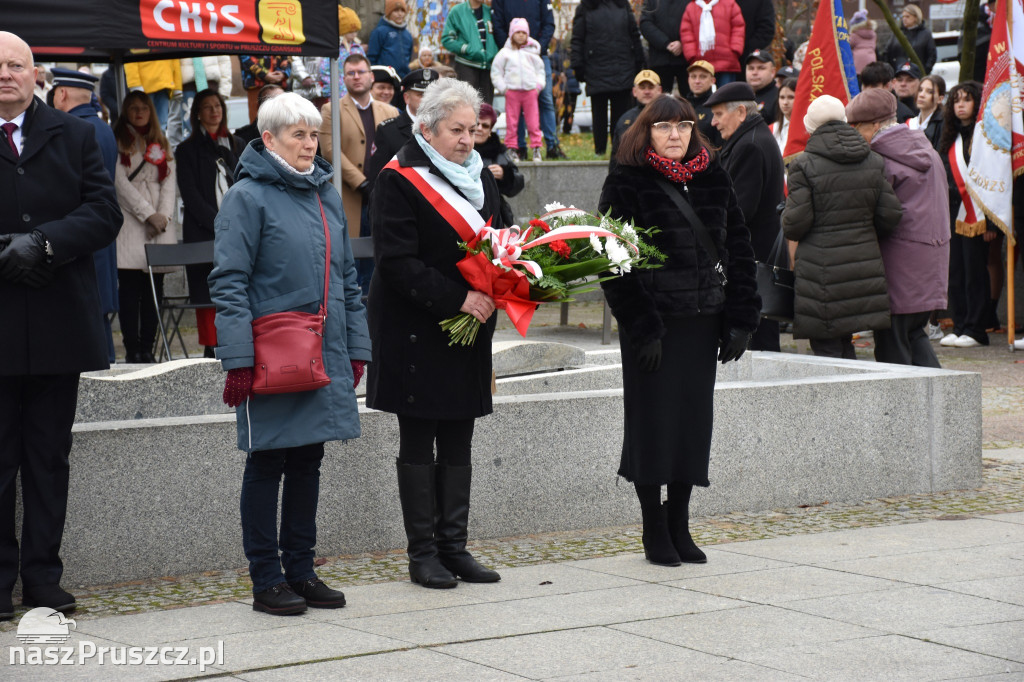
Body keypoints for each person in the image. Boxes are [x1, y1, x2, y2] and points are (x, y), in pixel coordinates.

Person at [209, 92, 370, 616]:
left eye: (314, 134)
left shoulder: (324, 190)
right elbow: (229, 282)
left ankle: (301, 570)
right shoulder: (246, 197)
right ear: (270, 138)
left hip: (322, 350)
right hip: (272, 353)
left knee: (308, 460)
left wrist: (357, 347)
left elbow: (346, 276)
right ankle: (266, 578)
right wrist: (237, 359)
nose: (309, 144)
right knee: (267, 461)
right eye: (298, 135)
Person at [599, 95, 760, 566]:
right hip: (653, 327)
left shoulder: (713, 174)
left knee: (692, 424)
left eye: (685, 126)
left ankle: (680, 523)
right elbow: (613, 262)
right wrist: (642, 327)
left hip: (702, 321)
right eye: (665, 126)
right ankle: (653, 527)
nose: (676, 135)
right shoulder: (627, 180)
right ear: (646, 131)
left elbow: (739, 247)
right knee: (654, 426)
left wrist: (741, 319)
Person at [0, 31, 122, 619]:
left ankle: (43, 580)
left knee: (48, 458)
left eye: (16, 65)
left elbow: (103, 211)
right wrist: (8, 250)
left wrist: (44, 242)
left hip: (57, 323)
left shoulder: (75, 135)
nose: (6, 74)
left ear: (36, 73)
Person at [367, 78, 504, 589]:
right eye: (457, 130)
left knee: (460, 435)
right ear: (427, 129)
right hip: (416, 328)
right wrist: (458, 298)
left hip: (469, 325)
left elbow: (500, 237)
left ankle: (455, 547)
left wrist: (511, 280)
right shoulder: (398, 179)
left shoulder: (480, 177)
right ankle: (422, 553)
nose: (468, 140)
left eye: (473, 130)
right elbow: (395, 262)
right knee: (420, 436)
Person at [782, 95, 903, 359]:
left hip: (821, 272)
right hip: (863, 267)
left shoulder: (803, 165)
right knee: (845, 344)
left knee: (826, 350)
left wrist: (785, 214)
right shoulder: (872, 160)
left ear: (810, 127)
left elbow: (795, 225)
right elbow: (891, 214)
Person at [847, 89, 948, 368]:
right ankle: (942, 405)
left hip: (899, 264)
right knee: (914, 336)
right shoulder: (924, 147)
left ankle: (902, 411)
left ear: (876, 125)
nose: (855, 135)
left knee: (894, 349)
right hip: (930, 259)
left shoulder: (881, 159)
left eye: (858, 127)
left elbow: (877, 214)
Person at [707, 81, 784, 351]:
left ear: (740, 112)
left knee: (758, 346)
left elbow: (739, 210)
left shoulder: (750, 145)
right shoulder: (752, 138)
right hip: (754, 261)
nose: (714, 123)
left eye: (718, 114)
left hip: (752, 263)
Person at [49, 68, 120, 365]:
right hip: (98, 233)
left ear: (61, 94)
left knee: (89, 320)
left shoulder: (72, 129)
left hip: (78, 235)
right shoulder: (101, 127)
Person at [176, 89, 244, 359]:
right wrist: (219, 223)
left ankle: (235, 341)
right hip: (202, 232)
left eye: (218, 105)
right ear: (198, 114)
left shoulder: (236, 144)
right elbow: (189, 194)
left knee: (235, 288)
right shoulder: (186, 149)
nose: (215, 111)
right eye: (207, 107)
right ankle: (210, 347)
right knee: (206, 292)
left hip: (236, 233)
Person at [111, 92, 178, 364]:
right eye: (133, 108)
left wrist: (162, 216)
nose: (139, 113)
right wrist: (148, 214)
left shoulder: (161, 142)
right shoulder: (117, 141)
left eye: (143, 108)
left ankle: (148, 347)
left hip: (158, 229)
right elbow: (119, 184)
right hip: (130, 223)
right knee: (128, 293)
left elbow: (170, 183)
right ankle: (132, 349)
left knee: (154, 293)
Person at [319, 54, 399, 247]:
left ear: (371, 77)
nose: (356, 77)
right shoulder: (331, 110)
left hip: (384, 197)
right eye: (350, 73)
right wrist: (362, 184)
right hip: (350, 195)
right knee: (353, 256)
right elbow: (330, 151)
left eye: (361, 72)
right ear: (343, 79)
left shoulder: (391, 111)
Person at [938, 81, 992, 348]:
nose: (960, 104)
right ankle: (959, 325)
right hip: (951, 212)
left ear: (977, 103)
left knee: (975, 272)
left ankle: (975, 328)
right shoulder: (949, 136)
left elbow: (994, 180)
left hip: (978, 215)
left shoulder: (986, 136)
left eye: (967, 100)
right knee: (955, 272)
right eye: (956, 100)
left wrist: (992, 221)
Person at [492, 0, 568, 159]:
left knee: (546, 100)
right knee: (515, 110)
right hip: (512, 57)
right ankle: (519, 148)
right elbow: (497, 24)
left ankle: (552, 145)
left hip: (537, 55)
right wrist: (510, 47)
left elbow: (549, 24)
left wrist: (536, 48)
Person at [571, 0, 646, 156]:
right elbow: (578, 39)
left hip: (619, 67)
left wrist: (639, 61)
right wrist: (578, 66)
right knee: (601, 114)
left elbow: (634, 34)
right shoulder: (586, 7)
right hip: (601, 67)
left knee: (617, 114)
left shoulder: (621, 5)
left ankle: (613, 151)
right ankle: (604, 150)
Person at [366, 68, 441, 197]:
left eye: (432, 96)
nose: (428, 100)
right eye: (421, 95)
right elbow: (377, 183)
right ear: (406, 97)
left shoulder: (445, 129)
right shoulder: (388, 131)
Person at [491, 18, 547, 163]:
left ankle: (536, 148)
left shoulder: (533, 52)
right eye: (517, 32)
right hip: (512, 93)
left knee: (534, 122)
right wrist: (504, 89)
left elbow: (541, 71)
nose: (521, 35)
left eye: (524, 32)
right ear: (511, 34)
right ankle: (512, 149)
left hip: (530, 92)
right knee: (512, 122)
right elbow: (496, 72)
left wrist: (538, 87)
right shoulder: (504, 53)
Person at [474, 101, 525, 226]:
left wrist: (504, 174)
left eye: (485, 126)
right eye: (476, 124)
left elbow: (518, 182)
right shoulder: (457, 147)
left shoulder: (499, 151)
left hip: (494, 214)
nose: (479, 128)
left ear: (490, 130)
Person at [441, 0, 499, 105]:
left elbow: (498, 34)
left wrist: (493, 53)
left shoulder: (489, 11)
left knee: (486, 109)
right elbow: (447, 39)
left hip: (487, 68)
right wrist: (467, 49)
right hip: (466, 67)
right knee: (466, 104)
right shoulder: (457, 11)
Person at [171, 56, 233, 149]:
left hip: (212, 83)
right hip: (186, 85)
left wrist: (224, 89)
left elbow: (224, 59)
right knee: (188, 127)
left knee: (216, 125)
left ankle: (219, 152)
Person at [680, 0, 746, 85]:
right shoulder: (691, 7)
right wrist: (691, 55)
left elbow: (738, 27)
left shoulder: (730, 4)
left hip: (726, 62)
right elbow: (686, 32)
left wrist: (735, 50)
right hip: (701, 64)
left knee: (725, 95)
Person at [610, 70, 663, 171]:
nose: (647, 91)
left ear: (659, 90)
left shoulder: (670, 116)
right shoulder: (625, 119)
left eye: (651, 87)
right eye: (642, 88)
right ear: (634, 91)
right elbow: (615, 156)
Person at [639, 0, 690, 97]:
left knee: (690, 100)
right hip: (660, 59)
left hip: (685, 59)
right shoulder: (652, 2)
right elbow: (645, 24)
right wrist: (665, 44)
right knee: (660, 103)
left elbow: (695, 20)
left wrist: (682, 43)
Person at [318, 6, 365, 106]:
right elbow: (325, 69)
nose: (354, 35)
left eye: (356, 31)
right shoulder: (335, 48)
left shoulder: (358, 48)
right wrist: (329, 90)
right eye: (351, 32)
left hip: (356, 92)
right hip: (337, 94)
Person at [123, 59, 181, 129]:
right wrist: (135, 84)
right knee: (142, 124)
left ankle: (158, 139)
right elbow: (131, 58)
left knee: (161, 124)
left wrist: (177, 86)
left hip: (164, 84)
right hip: (146, 87)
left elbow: (174, 58)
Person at [883, 3, 937, 75]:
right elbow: (887, 52)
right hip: (897, 73)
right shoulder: (897, 33)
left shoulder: (925, 34)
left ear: (915, 17)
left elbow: (932, 55)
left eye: (907, 16)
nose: (904, 19)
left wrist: (924, 71)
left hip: (917, 74)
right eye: (903, 17)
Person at [368, 0, 415, 80]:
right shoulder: (379, 32)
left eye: (402, 11)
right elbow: (371, 58)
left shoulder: (408, 34)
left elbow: (409, 58)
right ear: (389, 13)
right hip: (385, 79)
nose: (400, 14)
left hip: (404, 79)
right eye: (396, 11)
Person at [239, 55, 291, 121]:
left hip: (279, 83)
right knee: (257, 120)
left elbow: (288, 55)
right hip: (255, 84)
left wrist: (283, 73)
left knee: (281, 118)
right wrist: (264, 74)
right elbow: (245, 56)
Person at [686, 60, 721, 147]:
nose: (697, 81)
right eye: (693, 77)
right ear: (688, 79)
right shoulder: (682, 105)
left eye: (703, 77)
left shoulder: (717, 106)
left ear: (712, 80)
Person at [908, 74, 945, 150]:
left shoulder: (944, 124)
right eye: (920, 90)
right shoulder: (911, 123)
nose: (922, 95)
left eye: (930, 92)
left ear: (940, 99)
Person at [745, 49, 777, 124]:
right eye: (751, 68)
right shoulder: (741, 96)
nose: (754, 73)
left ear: (772, 72)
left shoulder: (779, 98)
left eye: (761, 68)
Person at [771, 77, 796, 157]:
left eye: (791, 97)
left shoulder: (808, 129)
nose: (785, 102)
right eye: (782, 97)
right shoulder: (772, 129)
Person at [848, 9, 877, 76]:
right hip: (871, 58)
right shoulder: (873, 34)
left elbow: (849, 45)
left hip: (858, 60)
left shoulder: (854, 35)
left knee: (859, 80)